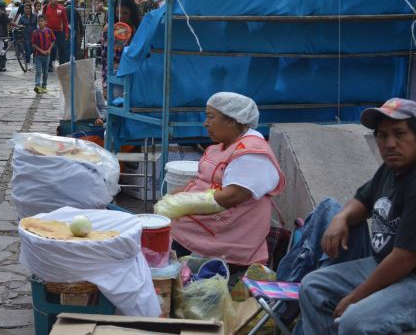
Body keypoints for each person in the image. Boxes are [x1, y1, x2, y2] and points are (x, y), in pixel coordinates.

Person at [295, 98, 416, 335]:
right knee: (312, 286)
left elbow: (405, 259)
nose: (390, 144)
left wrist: (355, 297)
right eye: (382, 136)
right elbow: (362, 200)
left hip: (410, 278)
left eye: (399, 133)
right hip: (382, 264)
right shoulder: (390, 170)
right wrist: (340, 218)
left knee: (355, 321)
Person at [170, 92, 286, 268]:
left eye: (211, 117)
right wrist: (177, 194)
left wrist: (180, 203)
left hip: (229, 237)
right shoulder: (220, 147)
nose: (205, 123)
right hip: (204, 226)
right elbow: (205, 181)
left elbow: (231, 197)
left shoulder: (251, 153)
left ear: (232, 120)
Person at [101, 0, 140, 93]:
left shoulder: (137, 29)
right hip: (115, 76)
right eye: (117, 12)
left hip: (135, 77)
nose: (120, 16)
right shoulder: (109, 29)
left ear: (132, 13)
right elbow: (107, 58)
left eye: (125, 13)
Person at [43, 0, 69, 72]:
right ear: (50, 0)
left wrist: (67, 32)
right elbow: (42, 18)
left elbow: (65, 21)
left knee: (62, 47)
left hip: (59, 31)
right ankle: (50, 64)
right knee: (53, 48)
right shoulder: (46, 7)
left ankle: (62, 65)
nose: (55, 0)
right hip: (49, 32)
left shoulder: (61, 8)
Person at [31, 15, 55, 94]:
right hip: (38, 55)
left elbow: (53, 41)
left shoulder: (49, 31)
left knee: (45, 72)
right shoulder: (35, 32)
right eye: (39, 21)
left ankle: (44, 85)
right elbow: (33, 44)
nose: (40, 23)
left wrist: (49, 50)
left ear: (46, 22)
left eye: (42, 21)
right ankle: (37, 85)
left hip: (47, 55)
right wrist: (41, 51)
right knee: (38, 71)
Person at [15, 3, 37, 67]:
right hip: (26, 36)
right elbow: (19, 26)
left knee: (34, 49)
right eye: (25, 8)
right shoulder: (22, 18)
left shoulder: (35, 16)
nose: (27, 10)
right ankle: (28, 63)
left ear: (30, 9)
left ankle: (34, 62)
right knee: (28, 50)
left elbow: (37, 25)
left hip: (34, 35)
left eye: (28, 8)